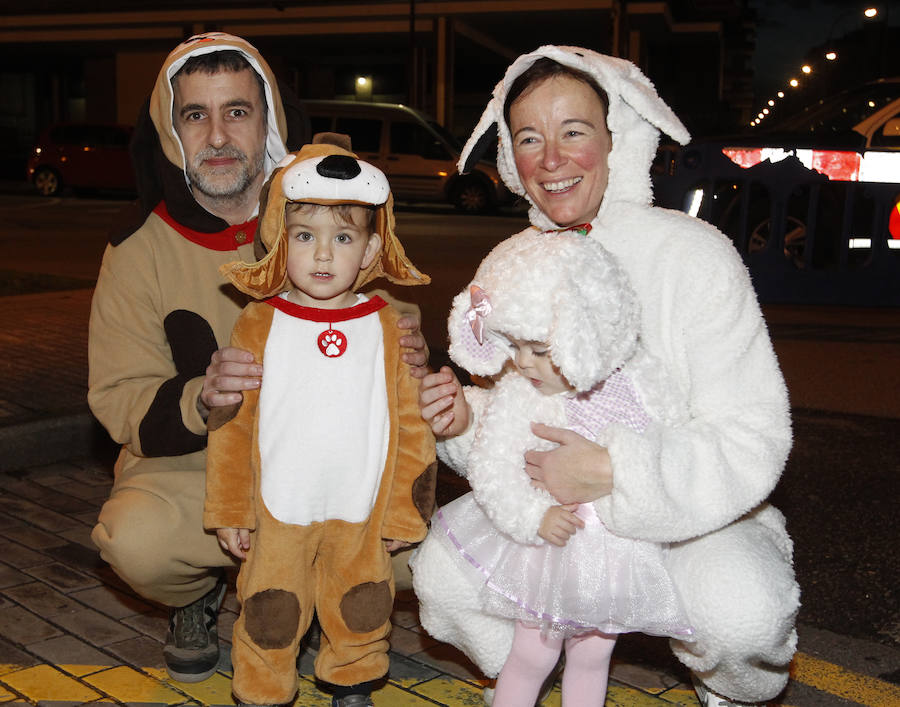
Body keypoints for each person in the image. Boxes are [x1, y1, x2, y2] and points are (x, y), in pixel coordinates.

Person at [411, 46, 799, 707]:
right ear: (510, 156)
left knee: (739, 611)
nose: (552, 158)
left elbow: (752, 433)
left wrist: (620, 470)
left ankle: (730, 690)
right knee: (441, 579)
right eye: (529, 137)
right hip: (555, 513)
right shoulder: (511, 261)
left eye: (573, 132)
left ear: (618, 138)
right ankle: (528, 668)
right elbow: (509, 413)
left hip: (691, 510)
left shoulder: (692, 254)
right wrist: (458, 421)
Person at [88, 32, 428, 684]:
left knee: (424, 554)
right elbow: (119, 392)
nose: (216, 134)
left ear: (268, 121)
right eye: (195, 115)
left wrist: (413, 360)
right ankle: (198, 595)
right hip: (204, 469)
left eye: (236, 112)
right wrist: (201, 395)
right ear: (169, 130)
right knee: (136, 540)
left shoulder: (337, 203)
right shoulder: (137, 248)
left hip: (335, 463)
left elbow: (397, 325)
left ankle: (319, 600)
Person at [412, 229, 693, 707]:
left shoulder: (633, 384)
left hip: (617, 550)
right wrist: (532, 517)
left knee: (592, 657)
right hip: (545, 551)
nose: (523, 363)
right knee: (532, 656)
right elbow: (493, 467)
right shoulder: (522, 397)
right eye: (517, 346)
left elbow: (668, 442)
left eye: (540, 350)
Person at [204, 141, 436, 707]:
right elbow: (233, 424)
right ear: (282, 240)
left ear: (372, 248)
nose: (323, 256)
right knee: (269, 606)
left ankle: (352, 677)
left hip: (361, 507)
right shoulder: (257, 323)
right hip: (278, 507)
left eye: (344, 237)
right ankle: (261, 688)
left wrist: (407, 508)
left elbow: (412, 423)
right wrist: (231, 508)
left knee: (362, 601)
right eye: (306, 236)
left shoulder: (390, 325)